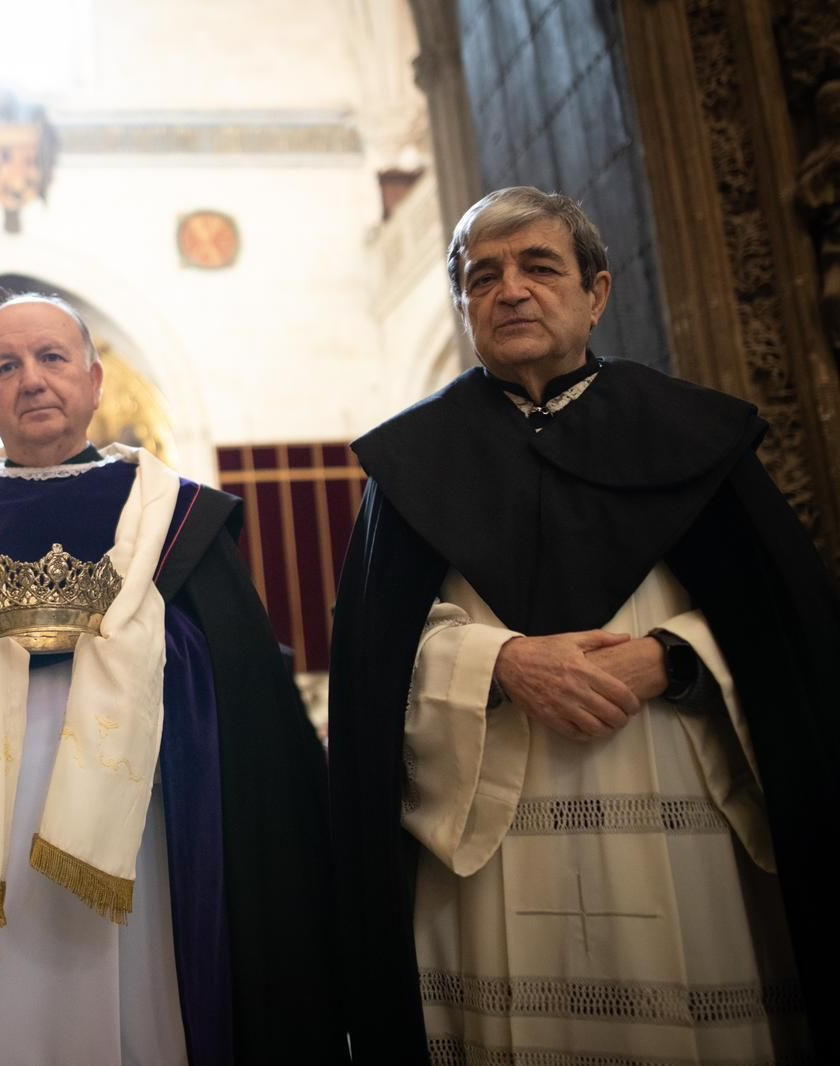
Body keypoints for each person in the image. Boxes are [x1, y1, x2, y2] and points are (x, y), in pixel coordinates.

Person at [330, 186, 838, 1062]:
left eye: (539, 267)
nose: (511, 291)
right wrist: (499, 663)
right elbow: (373, 665)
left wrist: (674, 658)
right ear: (462, 307)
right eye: (482, 277)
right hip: (489, 844)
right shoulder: (414, 463)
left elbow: (791, 635)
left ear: (596, 293)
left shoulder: (693, 434)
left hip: (681, 801)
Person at [0, 293, 346, 1065]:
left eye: (51, 358)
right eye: (7, 367)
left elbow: (236, 677)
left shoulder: (171, 514)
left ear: (95, 381)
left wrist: (131, 641)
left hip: (139, 817)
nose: (32, 380)